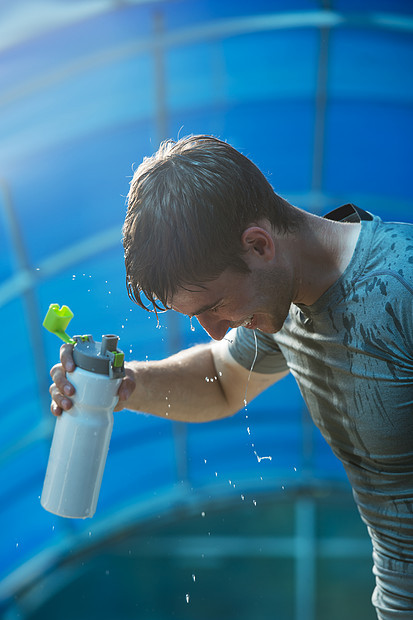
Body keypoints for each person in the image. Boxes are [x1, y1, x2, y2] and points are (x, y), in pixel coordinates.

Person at [49, 135, 413, 619]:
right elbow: (221, 380)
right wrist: (123, 384)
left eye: (214, 307)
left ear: (259, 245)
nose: (216, 329)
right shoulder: (283, 304)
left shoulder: (401, 287)